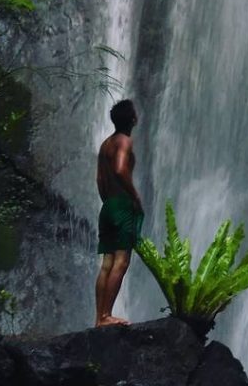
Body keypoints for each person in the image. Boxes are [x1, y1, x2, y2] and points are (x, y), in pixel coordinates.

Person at [94, 99, 144, 327]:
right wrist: (134, 196)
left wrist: (108, 202)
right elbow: (120, 169)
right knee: (122, 262)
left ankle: (100, 317)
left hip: (108, 206)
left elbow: (100, 179)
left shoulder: (106, 144)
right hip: (122, 205)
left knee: (107, 263)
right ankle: (107, 315)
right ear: (132, 119)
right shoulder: (124, 141)